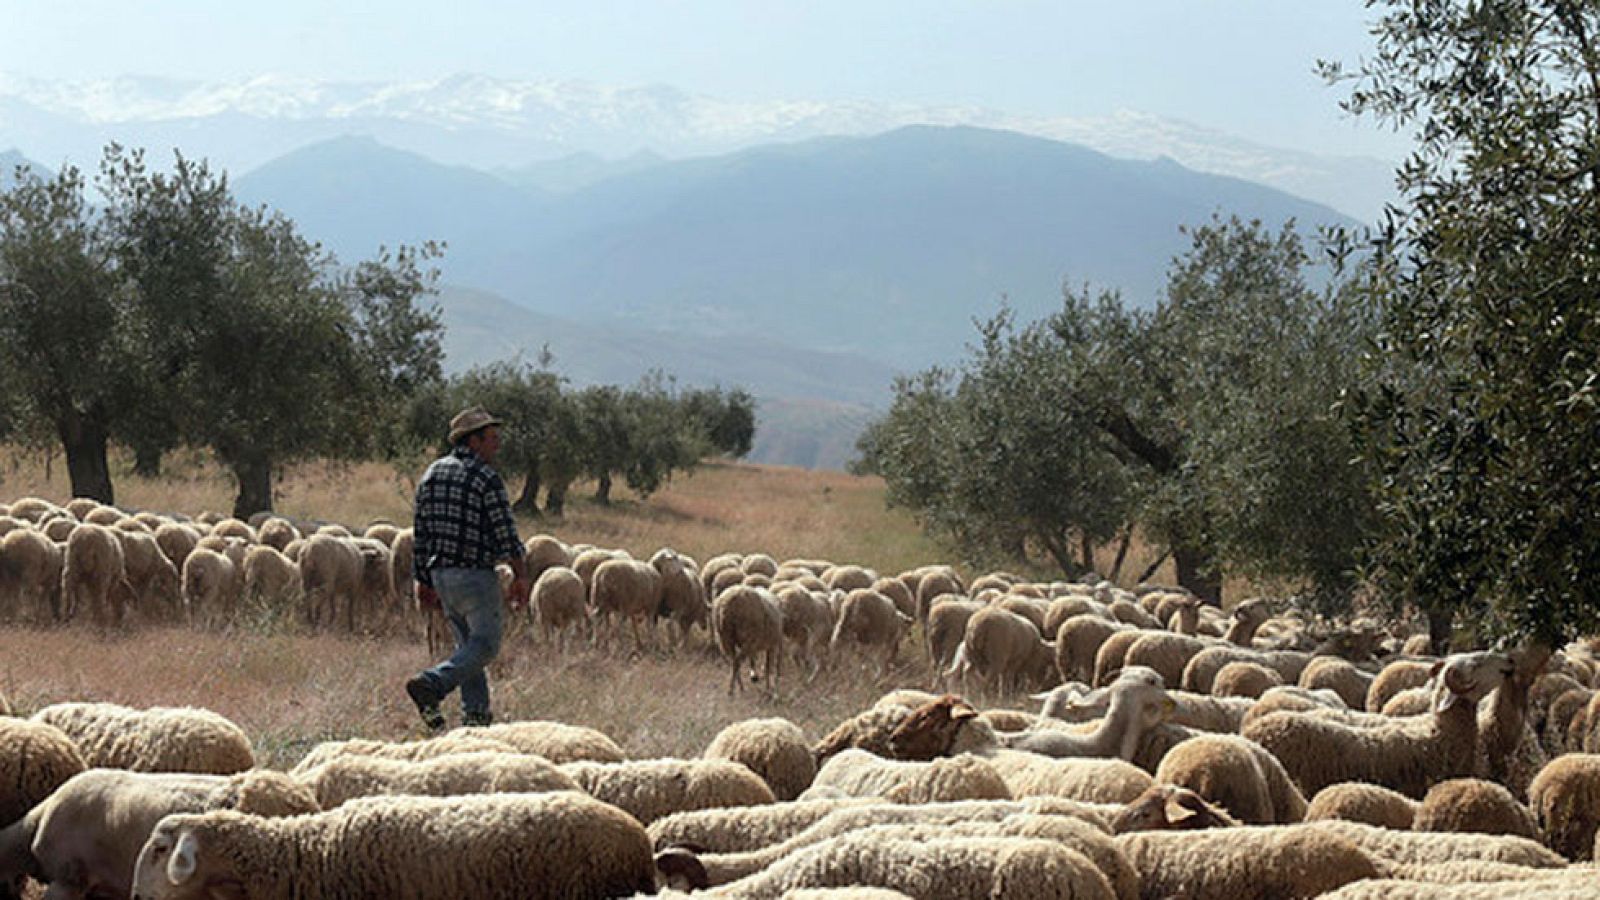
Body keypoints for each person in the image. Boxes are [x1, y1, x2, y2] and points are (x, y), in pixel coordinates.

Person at [405, 406, 528, 731]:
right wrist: (521, 574)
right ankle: (432, 684)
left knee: (467, 649)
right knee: (486, 646)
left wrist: (423, 579)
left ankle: (475, 718)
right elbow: (505, 531)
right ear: (473, 441)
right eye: (491, 439)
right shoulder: (485, 477)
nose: (496, 446)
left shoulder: (431, 474)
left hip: (443, 577)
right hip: (475, 575)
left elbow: (421, 532)